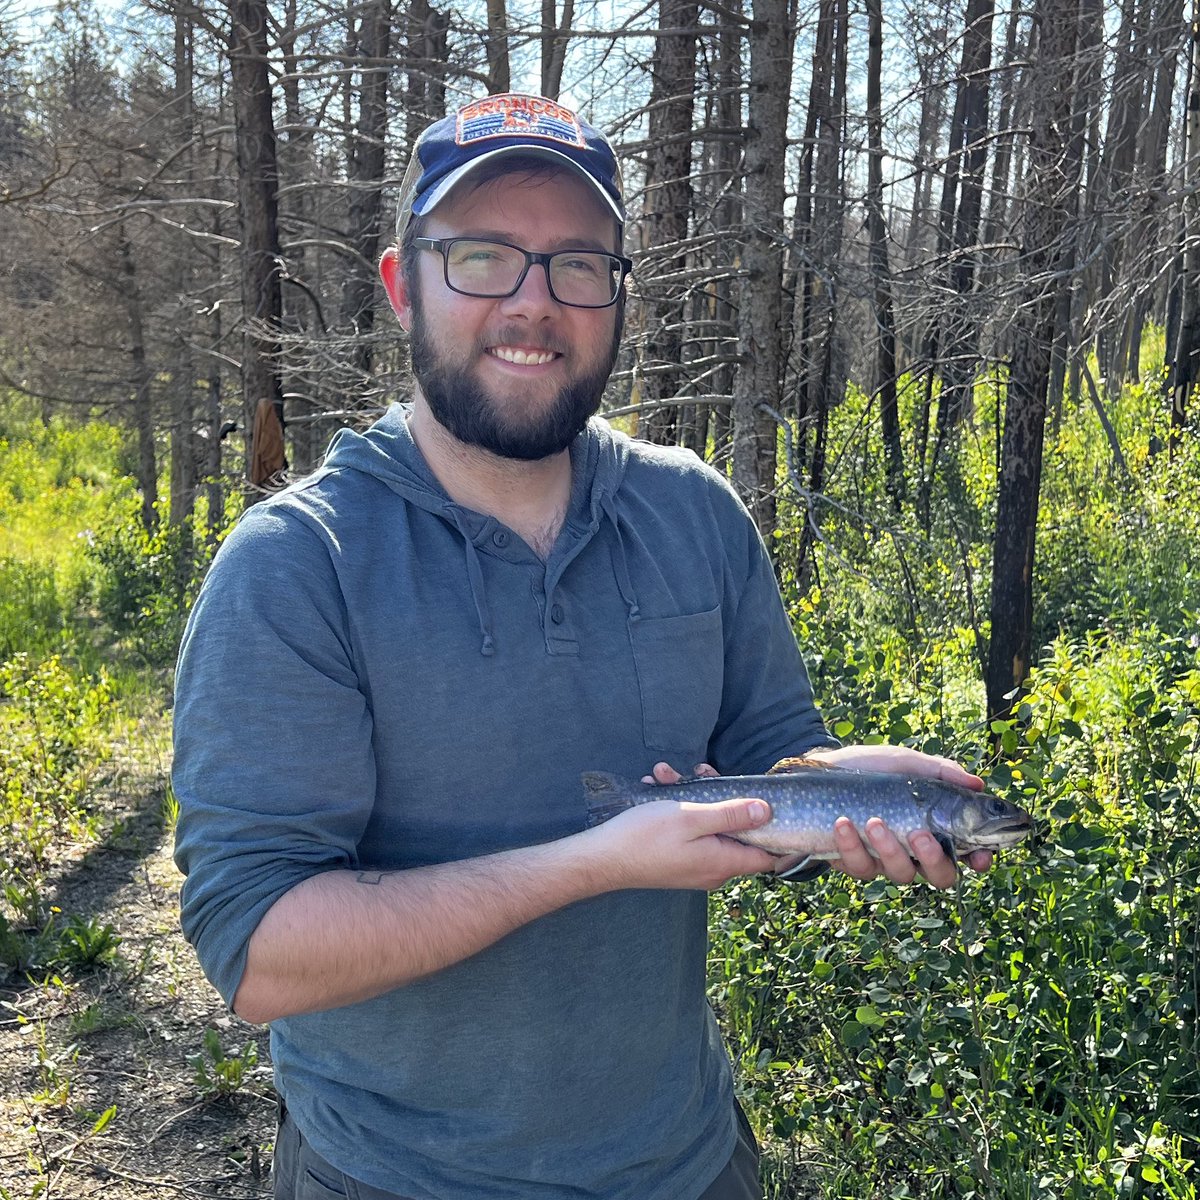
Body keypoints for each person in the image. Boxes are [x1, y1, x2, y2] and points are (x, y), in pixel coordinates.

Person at [172, 91, 993, 1200]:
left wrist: (852, 798)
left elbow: (772, 756)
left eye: (575, 265)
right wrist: (594, 862)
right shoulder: (298, 563)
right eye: (481, 258)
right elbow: (260, 954)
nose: (532, 305)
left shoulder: (692, 515)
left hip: (688, 1164)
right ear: (401, 282)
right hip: (392, 1178)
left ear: (616, 297)